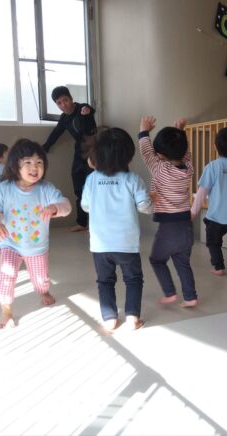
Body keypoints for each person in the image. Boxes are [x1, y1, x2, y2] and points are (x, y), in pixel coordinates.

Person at [0, 139, 71, 328]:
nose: (35, 167)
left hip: (37, 246)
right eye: (28, 162)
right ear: (15, 165)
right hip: (10, 243)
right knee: (6, 276)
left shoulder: (46, 188)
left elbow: (66, 205)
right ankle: (6, 310)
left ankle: (43, 291)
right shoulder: (5, 188)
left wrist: (55, 208)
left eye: (39, 162)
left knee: (41, 279)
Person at [81, 127, 153, 332]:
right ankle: (132, 317)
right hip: (126, 244)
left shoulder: (92, 179)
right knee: (133, 279)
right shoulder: (133, 179)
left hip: (100, 244)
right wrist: (152, 200)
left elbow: (85, 206)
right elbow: (144, 207)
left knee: (105, 281)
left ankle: (110, 319)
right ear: (128, 156)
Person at [139, 116, 198, 307]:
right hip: (186, 225)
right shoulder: (188, 168)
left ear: (161, 155)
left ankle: (170, 293)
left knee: (156, 260)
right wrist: (179, 131)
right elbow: (185, 152)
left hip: (169, 228)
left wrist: (143, 132)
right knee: (182, 262)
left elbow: (146, 153)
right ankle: (190, 297)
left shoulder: (160, 169)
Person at [191, 127, 227, 276]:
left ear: (215, 146)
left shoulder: (212, 166)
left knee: (213, 242)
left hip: (217, 216)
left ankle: (219, 267)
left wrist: (193, 212)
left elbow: (202, 193)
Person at [42, 86, 97, 232]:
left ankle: (97, 224)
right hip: (79, 152)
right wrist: (45, 147)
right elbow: (56, 133)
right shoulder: (64, 118)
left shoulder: (82, 108)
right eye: (59, 103)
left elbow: (90, 116)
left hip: (94, 151)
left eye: (65, 100)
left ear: (71, 99)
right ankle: (82, 223)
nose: (63, 105)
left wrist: (87, 113)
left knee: (95, 187)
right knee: (79, 188)